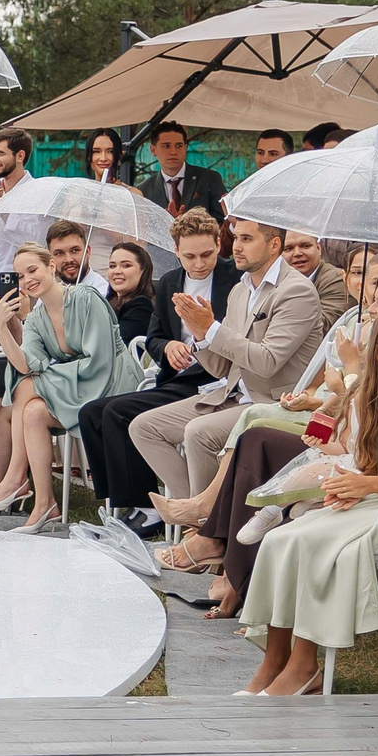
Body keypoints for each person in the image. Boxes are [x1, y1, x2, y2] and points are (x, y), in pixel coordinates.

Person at [240, 304, 378, 695]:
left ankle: (303, 665)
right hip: (374, 495)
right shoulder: (367, 394)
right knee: (280, 538)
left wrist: (368, 485)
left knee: (315, 541)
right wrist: (347, 485)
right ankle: (273, 661)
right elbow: (363, 460)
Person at [186, 261, 378, 609]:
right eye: (372, 299)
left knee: (260, 436)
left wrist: (349, 374)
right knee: (256, 438)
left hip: (375, 472)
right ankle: (234, 569)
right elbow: (349, 415)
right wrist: (320, 406)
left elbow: (370, 419)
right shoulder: (370, 340)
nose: (371, 308)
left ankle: (233, 567)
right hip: (347, 439)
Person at [127, 218, 325, 502]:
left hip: (272, 402)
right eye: (237, 237)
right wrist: (200, 335)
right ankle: (195, 511)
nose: (236, 247)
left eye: (247, 239)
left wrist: (211, 328)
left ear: (273, 245)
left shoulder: (296, 290)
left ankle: (202, 517)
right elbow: (221, 367)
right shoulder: (241, 289)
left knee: (198, 432)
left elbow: (267, 361)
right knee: (144, 427)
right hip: (230, 394)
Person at [71, 209, 241, 531]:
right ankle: (129, 502)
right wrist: (168, 347)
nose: (199, 263)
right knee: (92, 413)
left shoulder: (236, 279)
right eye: (189, 256)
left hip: (216, 379)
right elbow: (154, 337)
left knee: (118, 413)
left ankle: (150, 508)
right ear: (176, 251)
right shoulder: (169, 283)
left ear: (219, 245)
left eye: (206, 254)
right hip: (178, 376)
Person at [0, 242, 130, 532]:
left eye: (32, 270)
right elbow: (24, 365)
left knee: (30, 384)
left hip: (112, 382)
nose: (27, 280)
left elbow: (100, 361)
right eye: (20, 276)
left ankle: (15, 478)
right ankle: (45, 504)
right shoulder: (37, 318)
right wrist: (1, 327)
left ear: (51, 267)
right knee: (32, 411)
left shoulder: (85, 298)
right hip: (76, 386)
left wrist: (51, 375)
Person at [0, 128, 44, 300]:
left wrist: (1, 209)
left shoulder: (38, 193)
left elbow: (35, 241)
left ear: (20, 156)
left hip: (18, 288)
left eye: (0, 154)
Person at [137, 123, 228, 220]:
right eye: (166, 146)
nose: (173, 152)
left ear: (185, 148)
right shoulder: (144, 190)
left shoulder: (209, 179)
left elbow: (224, 220)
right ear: (153, 150)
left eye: (179, 146)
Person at [283, 232, 350, 321]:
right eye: (288, 249)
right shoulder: (277, 280)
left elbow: (324, 324)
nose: (297, 253)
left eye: (305, 246)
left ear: (318, 248)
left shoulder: (336, 279)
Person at [105, 242, 157, 345]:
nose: (117, 271)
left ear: (143, 270)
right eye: (112, 266)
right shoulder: (106, 302)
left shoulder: (141, 305)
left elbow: (118, 346)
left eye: (126, 265)